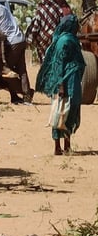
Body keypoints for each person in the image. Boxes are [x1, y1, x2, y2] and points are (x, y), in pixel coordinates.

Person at [35, 15, 86, 155]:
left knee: (67, 110)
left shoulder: (69, 39)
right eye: (76, 26)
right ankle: (59, 146)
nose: (78, 28)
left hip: (72, 79)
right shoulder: (66, 41)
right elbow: (59, 64)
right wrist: (61, 85)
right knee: (63, 111)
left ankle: (65, 145)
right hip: (66, 81)